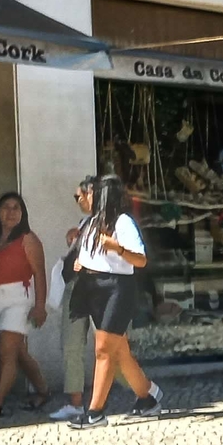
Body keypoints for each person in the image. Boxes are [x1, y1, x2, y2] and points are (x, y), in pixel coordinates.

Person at [70, 174, 160, 427]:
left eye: (88, 193)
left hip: (116, 289)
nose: (83, 198)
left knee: (103, 350)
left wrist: (117, 248)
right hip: (94, 289)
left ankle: (95, 412)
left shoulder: (122, 222)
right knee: (120, 353)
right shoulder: (90, 222)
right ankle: (147, 397)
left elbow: (141, 260)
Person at [0, 191, 49, 419]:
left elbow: (39, 274)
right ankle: (43, 391)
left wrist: (40, 306)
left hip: (18, 299)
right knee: (18, 352)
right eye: (6, 207)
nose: (10, 212)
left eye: (16, 207)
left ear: (22, 213)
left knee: (6, 352)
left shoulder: (28, 239)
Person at [45, 178, 99, 423]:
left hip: (100, 288)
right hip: (77, 287)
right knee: (71, 345)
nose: (77, 201)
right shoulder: (85, 222)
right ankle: (76, 402)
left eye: (79, 196)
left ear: (92, 194)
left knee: (113, 348)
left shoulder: (113, 221)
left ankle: (144, 393)